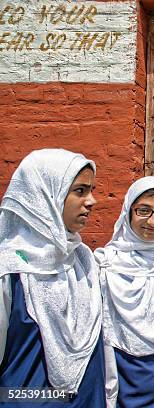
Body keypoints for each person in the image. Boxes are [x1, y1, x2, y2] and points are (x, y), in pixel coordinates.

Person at [0, 149, 105, 407]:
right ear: (46, 195)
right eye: (80, 191)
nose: (91, 201)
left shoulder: (83, 260)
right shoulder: (9, 272)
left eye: (91, 190)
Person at [95, 177, 154, 408]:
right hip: (116, 364)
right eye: (144, 210)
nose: (153, 221)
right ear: (129, 211)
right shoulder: (106, 264)